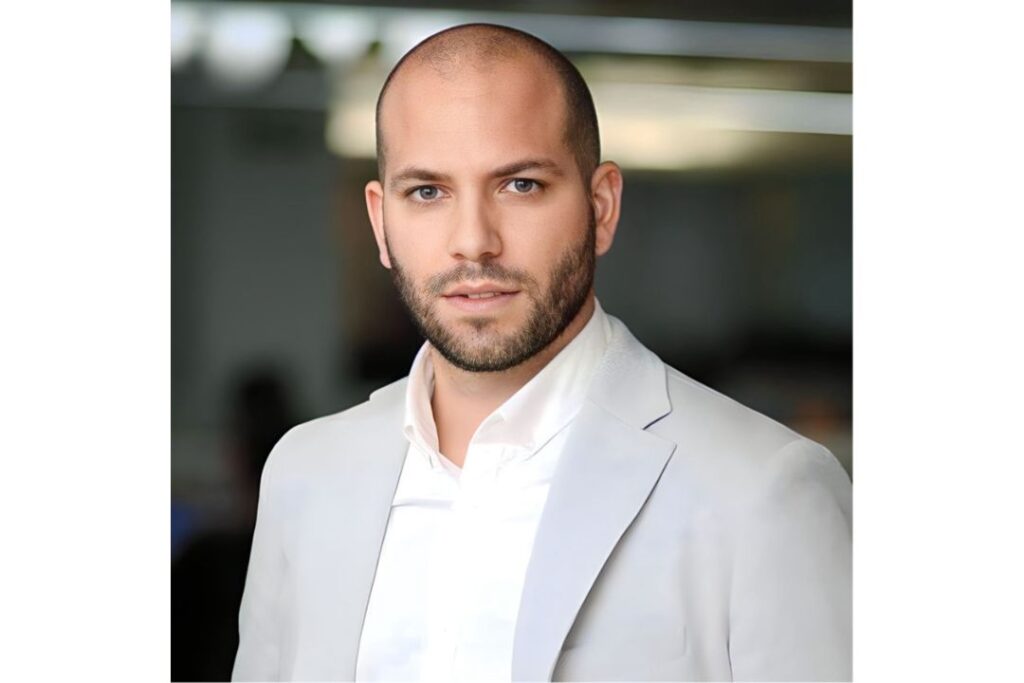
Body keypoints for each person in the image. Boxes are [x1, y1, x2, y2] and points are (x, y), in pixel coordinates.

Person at [232, 23, 851, 682]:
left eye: (520, 184)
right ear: (381, 221)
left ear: (602, 205)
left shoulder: (764, 489)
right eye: (427, 191)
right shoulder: (305, 473)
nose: (473, 242)